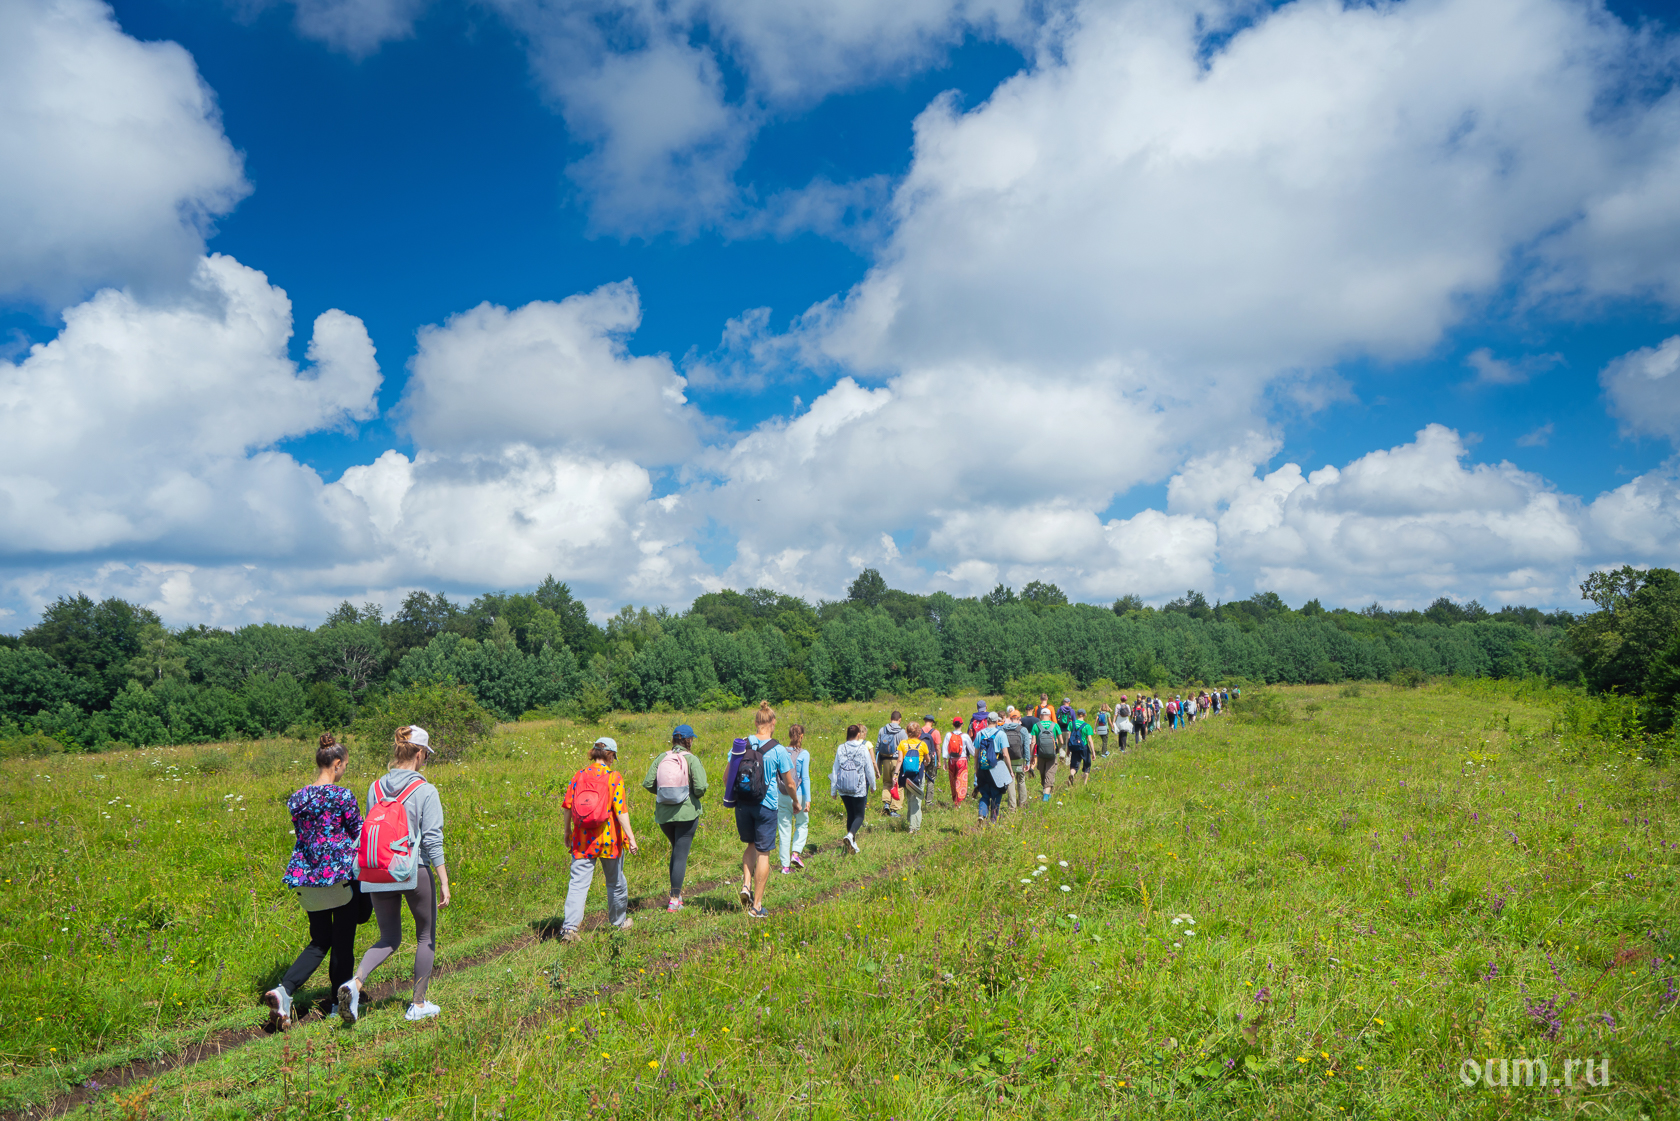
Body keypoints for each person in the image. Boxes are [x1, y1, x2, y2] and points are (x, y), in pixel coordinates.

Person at [339, 726, 451, 1026]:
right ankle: (418, 1003)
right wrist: (443, 880)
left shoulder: (374, 788)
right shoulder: (426, 790)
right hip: (414, 869)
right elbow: (432, 840)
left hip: (378, 871)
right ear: (419, 754)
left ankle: (355, 983)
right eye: (426, 755)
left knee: (389, 937)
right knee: (425, 936)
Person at [264, 734, 363, 1030]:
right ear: (337, 763)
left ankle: (284, 990)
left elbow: (306, 835)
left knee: (320, 940)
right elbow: (358, 833)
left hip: (306, 877)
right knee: (342, 941)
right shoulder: (342, 796)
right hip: (339, 878)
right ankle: (337, 1004)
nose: (344, 770)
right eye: (344, 765)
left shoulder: (296, 798)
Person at [557, 736, 639, 940]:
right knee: (616, 883)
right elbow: (620, 810)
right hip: (609, 840)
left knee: (578, 883)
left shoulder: (579, 775)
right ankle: (619, 923)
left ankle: (569, 929)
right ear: (610, 755)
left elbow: (567, 806)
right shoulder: (614, 777)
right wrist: (631, 837)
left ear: (594, 753)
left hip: (582, 839)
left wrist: (567, 831)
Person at [726, 701, 795, 918]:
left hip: (742, 805)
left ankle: (746, 885)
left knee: (751, 845)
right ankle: (756, 906)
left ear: (756, 722)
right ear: (773, 723)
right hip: (766, 806)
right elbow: (789, 783)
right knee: (763, 853)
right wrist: (796, 801)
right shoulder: (778, 749)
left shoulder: (741, 745)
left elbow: (727, 777)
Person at [642, 724, 706, 912]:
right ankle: (674, 900)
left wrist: (664, 794)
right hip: (687, 814)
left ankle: (676, 895)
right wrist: (690, 794)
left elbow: (648, 783)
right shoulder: (691, 759)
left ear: (673, 740)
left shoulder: (661, 757)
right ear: (689, 740)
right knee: (680, 855)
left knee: (677, 852)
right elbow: (701, 787)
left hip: (664, 815)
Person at [830, 724, 877, 854]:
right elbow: (869, 768)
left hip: (843, 788)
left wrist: (833, 789)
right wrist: (873, 785)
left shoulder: (841, 748)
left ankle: (852, 844)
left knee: (850, 814)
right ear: (858, 735)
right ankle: (850, 836)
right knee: (859, 816)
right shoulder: (863, 749)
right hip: (859, 788)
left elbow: (835, 769)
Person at [778, 724, 812, 871]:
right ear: (802, 736)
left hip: (782, 793)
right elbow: (805, 778)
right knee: (802, 823)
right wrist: (808, 799)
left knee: (784, 829)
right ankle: (795, 853)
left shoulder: (781, 752)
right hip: (798, 794)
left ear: (789, 735)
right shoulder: (804, 754)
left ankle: (785, 867)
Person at [973, 712, 1009, 824]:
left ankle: (982, 814)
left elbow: (976, 754)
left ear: (987, 721)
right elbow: (1006, 754)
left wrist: (976, 769)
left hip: (982, 768)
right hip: (996, 767)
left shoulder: (979, 734)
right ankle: (993, 821)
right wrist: (1009, 771)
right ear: (997, 721)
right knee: (996, 794)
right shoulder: (1001, 734)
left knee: (985, 794)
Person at [898, 719, 932, 833]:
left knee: (910, 798)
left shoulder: (903, 744)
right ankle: (913, 827)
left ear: (907, 732)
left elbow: (899, 760)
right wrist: (926, 761)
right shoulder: (922, 744)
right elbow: (928, 760)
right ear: (919, 733)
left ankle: (911, 821)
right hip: (918, 775)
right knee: (916, 800)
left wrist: (895, 774)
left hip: (906, 776)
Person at [875, 711, 908, 818]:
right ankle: (894, 809)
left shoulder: (882, 730)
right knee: (898, 784)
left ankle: (886, 803)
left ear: (890, 718)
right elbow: (906, 748)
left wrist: (878, 765)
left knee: (887, 782)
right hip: (898, 761)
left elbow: (877, 747)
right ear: (900, 720)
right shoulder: (902, 732)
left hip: (885, 760)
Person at [1000, 706, 1031, 810]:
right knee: (1021, 780)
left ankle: (1012, 807)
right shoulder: (1023, 730)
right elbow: (1026, 747)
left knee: (1010, 781)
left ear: (1010, 717)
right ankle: (1023, 804)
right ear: (1019, 718)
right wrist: (1027, 761)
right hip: (1020, 758)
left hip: (1008, 759)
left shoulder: (1003, 729)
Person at [1030, 707, 1060, 801]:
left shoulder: (1036, 726)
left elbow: (1033, 742)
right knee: (1050, 772)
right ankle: (1046, 795)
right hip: (1052, 753)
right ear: (1050, 715)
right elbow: (1062, 741)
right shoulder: (1055, 725)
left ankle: (1046, 791)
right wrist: (1057, 748)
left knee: (1042, 772)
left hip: (1041, 753)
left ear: (1040, 716)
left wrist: (1032, 756)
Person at [943, 717, 972, 804]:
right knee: (961, 781)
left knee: (953, 780)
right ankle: (959, 802)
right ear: (962, 725)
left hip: (951, 760)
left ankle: (955, 800)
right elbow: (972, 750)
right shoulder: (965, 736)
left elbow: (945, 748)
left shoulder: (948, 735)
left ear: (953, 725)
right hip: (962, 760)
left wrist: (944, 761)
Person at [1066, 709, 1096, 788]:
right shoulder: (1087, 726)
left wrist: (1068, 750)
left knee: (1074, 765)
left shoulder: (1071, 724)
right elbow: (1090, 740)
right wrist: (1093, 752)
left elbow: (1068, 737)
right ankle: (1085, 784)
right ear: (1085, 715)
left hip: (1074, 747)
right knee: (1087, 765)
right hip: (1084, 747)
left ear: (1077, 714)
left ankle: (1072, 774)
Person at [917, 714, 941, 808]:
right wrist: (939, 761)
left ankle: (918, 800)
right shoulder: (935, 732)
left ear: (924, 721)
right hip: (932, 757)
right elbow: (938, 748)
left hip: (921, 757)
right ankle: (928, 802)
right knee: (931, 779)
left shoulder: (919, 731)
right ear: (932, 722)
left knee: (920, 778)